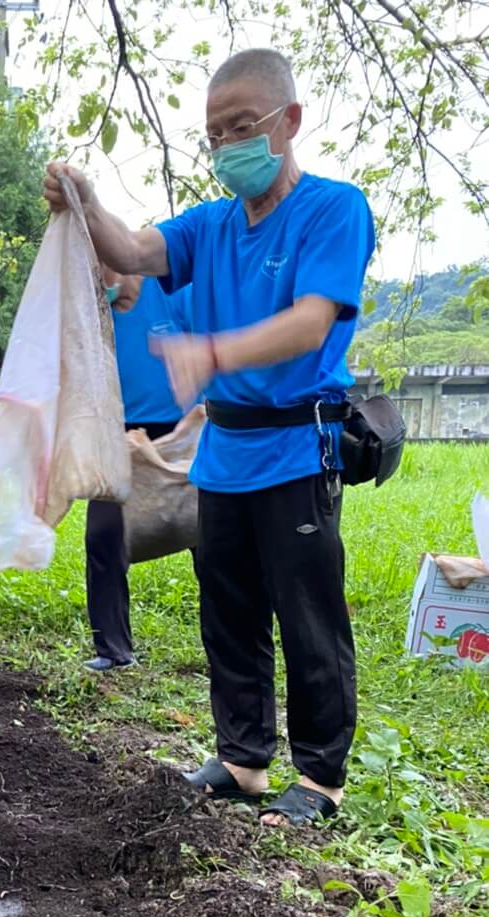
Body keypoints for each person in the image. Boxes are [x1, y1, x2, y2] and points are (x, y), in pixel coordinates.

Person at [44, 47, 374, 827]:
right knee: (227, 608)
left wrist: (214, 351)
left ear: (287, 122)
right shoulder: (211, 225)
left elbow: (309, 321)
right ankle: (242, 759)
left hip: (298, 446)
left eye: (242, 126)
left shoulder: (333, 209)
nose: (229, 146)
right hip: (222, 454)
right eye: (215, 133)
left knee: (308, 613)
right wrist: (84, 200)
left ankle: (321, 779)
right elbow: (130, 252)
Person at [85, 269, 192, 672]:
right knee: (103, 537)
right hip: (117, 433)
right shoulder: (92, 308)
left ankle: (229, 647)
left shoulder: (174, 291)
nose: (103, 277)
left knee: (214, 542)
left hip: (181, 432)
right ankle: (114, 650)